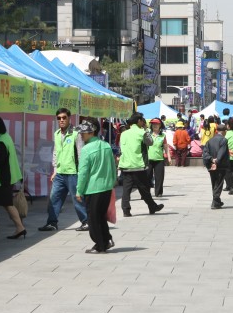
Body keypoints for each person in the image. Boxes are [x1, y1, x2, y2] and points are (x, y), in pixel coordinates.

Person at [40, 107, 89, 233]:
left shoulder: (75, 133)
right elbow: (56, 152)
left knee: (77, 199)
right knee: (54, 198)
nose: (61, 120)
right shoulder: (57, 134)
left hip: (73, 172)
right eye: (59, 118)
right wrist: (55, 169)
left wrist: (82, 172)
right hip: (60, 173)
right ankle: (52, 223)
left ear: (69, 118)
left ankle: (86, 222)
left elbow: (80, 153)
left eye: (64, 118)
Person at [75, 119, 117, 254]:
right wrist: (112, 182)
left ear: (92, 131)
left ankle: (100, 245)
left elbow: (83, 173)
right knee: (100, 217)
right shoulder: (106, 145)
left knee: (93, 219)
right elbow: (112, 166)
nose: (81, 135)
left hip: (92, 189)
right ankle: (106, 240)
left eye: (84, 132)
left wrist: (79, 190)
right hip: (106, 187)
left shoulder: (86, 149)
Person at [0, 115, 26, 239]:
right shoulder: (5, 137)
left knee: (7, 204)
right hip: (5, 177)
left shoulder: (1, 141)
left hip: (1, 178)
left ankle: (19, 227)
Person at [118, 115, 163, 217]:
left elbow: (121, 148)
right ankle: (152, 206)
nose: (143, 122)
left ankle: (126, 210)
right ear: (138, 121)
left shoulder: (124, 133)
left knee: (126, 189)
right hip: (137, 164)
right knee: (144, 188)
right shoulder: (142, 132)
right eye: (142, 121)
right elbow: (150, 142)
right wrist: (146, 130)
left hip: (125, 165)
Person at [202, 122, 230, 209]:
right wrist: (216, 160)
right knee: (219, 183)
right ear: (224, 131)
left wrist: (211, 159)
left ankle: (217, 202)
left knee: (214, 183)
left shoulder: (209, 141)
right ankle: (215, 201)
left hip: (211, 165)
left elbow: (205, 153)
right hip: (220, 165)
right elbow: (222, 152)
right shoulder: (223, 140)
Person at [147, 118, 167, 197]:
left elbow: (166, 147)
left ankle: (158, 193)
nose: (155, 125)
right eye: (153, 124)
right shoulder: (147, 134)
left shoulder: (163, 135)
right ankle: (146, 193)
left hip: (159, 159)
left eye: (157, 124)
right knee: (147, 177)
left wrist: (168, 157)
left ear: (160, 125)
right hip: (149, 158)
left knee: (159, 177)